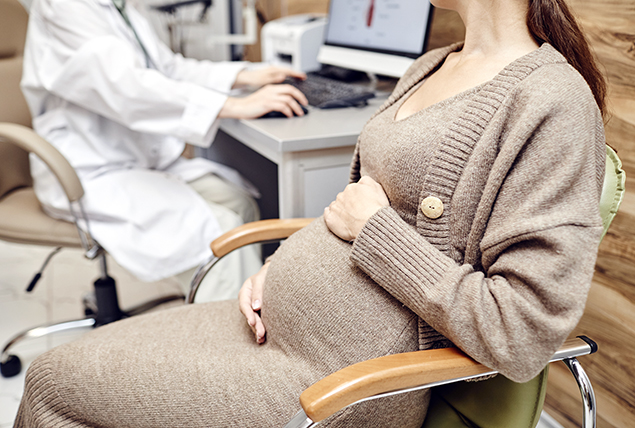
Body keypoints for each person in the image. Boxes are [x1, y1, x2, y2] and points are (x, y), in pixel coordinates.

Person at [15, 0, 608, 426]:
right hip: (267, 330)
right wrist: (280, 269)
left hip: (332, 382)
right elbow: (351, 211)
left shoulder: (550, 103)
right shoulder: (430, 67)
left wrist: (373, 231)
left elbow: (520, 332)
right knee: (58, 371)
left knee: (50, 388)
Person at [20, 0, 308, 301]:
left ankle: (248, 305)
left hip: (132, 158)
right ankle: (224, 338)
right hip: (86, 172)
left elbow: (166, 68)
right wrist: (233, 105)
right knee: (220, 229)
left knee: (240, 203)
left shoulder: (121, 6)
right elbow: (125, 87)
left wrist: (244, 75)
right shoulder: (64, 7)